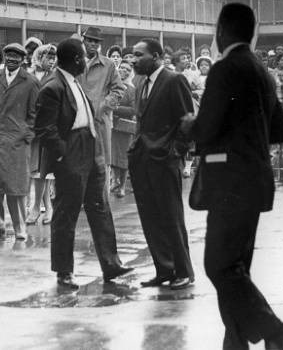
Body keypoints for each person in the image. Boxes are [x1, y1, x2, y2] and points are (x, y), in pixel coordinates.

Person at [181, 2, 283, 350]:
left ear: (222, 30)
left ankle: (272, 329)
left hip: (228, 182)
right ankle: (235, 342)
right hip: (255, 181)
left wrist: (188, 125)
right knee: (236, 267)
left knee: (218, 265)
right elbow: (279, 130)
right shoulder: (262, 70)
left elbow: (205, 127)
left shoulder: (225, 69)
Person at [34, 38, 133, 290]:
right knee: (66, 213)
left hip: (91, 148)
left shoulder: (74, 83)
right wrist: (63, 157)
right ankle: (64, 272)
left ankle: (111, 264)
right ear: (76, 59)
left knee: (100, 208)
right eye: (83, 57)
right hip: (71, 153)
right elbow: (44, 130)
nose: (87, 61)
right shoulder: (52, 87)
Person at [128, 39, 195, 290]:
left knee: (171, 217)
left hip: (165, 160)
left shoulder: (173, 80)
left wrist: (174, 152)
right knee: (151, 218)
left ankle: (183, 271)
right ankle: (164, 269)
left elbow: (187, 120)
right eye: (132, 56)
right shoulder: (141, 83)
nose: (133, 60)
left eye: (138, 55)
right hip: (143, 159)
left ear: (156, 56)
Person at [0, 43, 39, 241]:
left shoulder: (30, 82)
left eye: (17, 56)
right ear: (3, 57)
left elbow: (35, 114)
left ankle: (20, 229)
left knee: (16, 188)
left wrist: (26, 135)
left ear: (23, 59)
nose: (12, 59)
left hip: (17, 142)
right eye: (8, 55)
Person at [78, 27, 125, 191]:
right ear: (83, 41)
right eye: (89, 40)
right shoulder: (75, 62)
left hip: (100, 121)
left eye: (95, 41)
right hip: (77, 121)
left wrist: (103, 105)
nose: (92, 44)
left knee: (102, 161)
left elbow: (119, 89)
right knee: (78, 160)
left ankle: (101, 199)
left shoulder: (108, 64)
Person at [26, 43, 58, 225]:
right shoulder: (28, 76)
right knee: (37, 170)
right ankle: (45, 207)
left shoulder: (54, 77)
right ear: (39, 57)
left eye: (54, 58)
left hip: (47, 128)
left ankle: (39, 207)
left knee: (43, 171)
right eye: (48, 57)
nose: (52, 61)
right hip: (31, 128)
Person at [110, 60, 136, 198]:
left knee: (124, 157)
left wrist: (116, 109)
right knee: (113, 155)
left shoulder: (131, 89)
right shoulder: (112, 86)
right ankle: (114, 180)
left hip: (124, 127)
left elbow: (133, 109)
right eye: (122, 68)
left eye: (127, 69)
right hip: (112, 125)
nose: (123, 71)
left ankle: (122, 187)